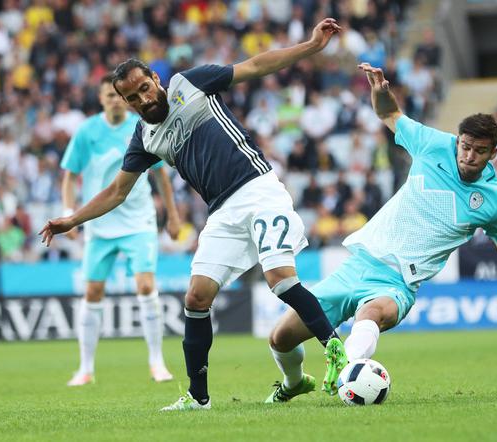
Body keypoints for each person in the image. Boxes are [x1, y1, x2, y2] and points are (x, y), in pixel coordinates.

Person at [39, 18, 347, 411]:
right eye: (132, 98)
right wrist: (71, 220)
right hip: (221, 211)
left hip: (258, 188)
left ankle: (334, 347)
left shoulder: (190, 83)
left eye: (144, 88)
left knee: (279, 278)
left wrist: (310, 47)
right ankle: (198, 397)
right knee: (196, 297)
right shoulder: (145, 137)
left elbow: (254, 66)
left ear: (156, 78)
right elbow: (118, 191)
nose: (143, 100)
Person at [264, 63, 497, 404]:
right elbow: (390, 113)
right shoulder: (433, 144)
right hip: (359, 264)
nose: (468, 156)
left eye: (479, 151)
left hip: (398, 283)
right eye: (465, 146)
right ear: (458, 141)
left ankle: (348, 370)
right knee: (280, 337)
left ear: (493, 153)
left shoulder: (492, 199)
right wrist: (380, 89)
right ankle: (294, 382)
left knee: (370, 313)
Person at [60, 74, 181, 387]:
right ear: (101, 99)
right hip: (100, 225)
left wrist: (172, 214)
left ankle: (157, 362)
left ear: (123, 99)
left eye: (118, 96)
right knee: (92, 292)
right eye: (108, 96)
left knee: (144, 286)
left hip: (138, 221)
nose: (114, 100)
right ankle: (85, 369)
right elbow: (70, 175)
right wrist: (68, 213)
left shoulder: (140, 126)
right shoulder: (87, 131)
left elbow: (161, 176)